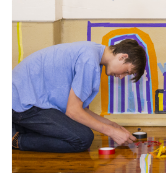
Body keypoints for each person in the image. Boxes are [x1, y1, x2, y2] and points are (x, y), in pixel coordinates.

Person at [12, 39, 147, 152]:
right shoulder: (90, 60)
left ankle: (19, 127)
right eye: (127, 71)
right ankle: (16, 140)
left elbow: (79, 109)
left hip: (26, 101)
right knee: (82, 139)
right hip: (21, 104)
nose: (122, 77)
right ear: (123, 57)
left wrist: (113, 125)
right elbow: (73, 112)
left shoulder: (93, 52)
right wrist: (112, 132)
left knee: (80, 129)